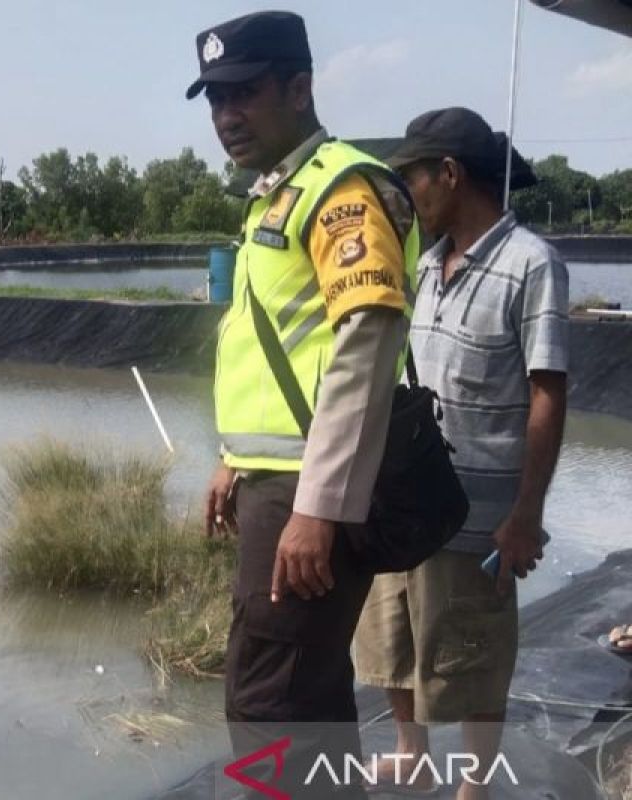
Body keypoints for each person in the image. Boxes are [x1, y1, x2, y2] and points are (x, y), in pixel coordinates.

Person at [189, 11, 419, 798]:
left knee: (268, 704)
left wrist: (318, 509)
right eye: (215, 99)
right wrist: (231, 458)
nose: (226, 116)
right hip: (276, 481)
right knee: (307, 697)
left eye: (244, 93)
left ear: (299, 87)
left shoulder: (343, 190)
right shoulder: (276, 197)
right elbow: (278, 348)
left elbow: (366, 341)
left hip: (308, 491)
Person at [353, 107, 569, 800]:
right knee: (391, 642)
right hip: (410, 500)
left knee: (474, 657)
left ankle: (475, 784)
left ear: (449, 173)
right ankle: (411, 753)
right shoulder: (425, 264)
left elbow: (547, 394)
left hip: (479, 518)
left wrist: (525, 517)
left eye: (413, 175)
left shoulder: (531, 264)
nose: (407, 191)